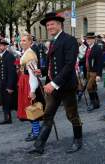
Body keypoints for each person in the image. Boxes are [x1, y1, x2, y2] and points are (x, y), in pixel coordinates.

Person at [29, 12, 82, 155]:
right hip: (53, 86)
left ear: (60, 25)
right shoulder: (53, 42)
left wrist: (54, 83)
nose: (49, 27)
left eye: (52, 24)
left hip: (66, 86)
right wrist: (43, 71)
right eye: (47, 25)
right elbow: (53, 65)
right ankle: (39, 145)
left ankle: (78, 140)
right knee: (48, 114)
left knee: (72, 115)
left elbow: (69, 64)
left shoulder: (69, 40)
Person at [17, 34, 45, 141]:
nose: (22, 42)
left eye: (24, 40)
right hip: (25, 82)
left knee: (32, 108)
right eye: (21, 41)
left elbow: (33, 75)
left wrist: (32, 90)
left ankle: (36, 132)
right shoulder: (26, 52)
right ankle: (35, 130)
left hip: (29, 83)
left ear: (30, 42)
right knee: (29, 108)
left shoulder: (30, 55)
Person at [0, 38, 17, 125]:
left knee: (8, 102)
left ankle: (8, 118)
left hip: (7, 83)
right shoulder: (1, 55)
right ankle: (7, 118)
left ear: (5, 46)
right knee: (4, 101)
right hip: (2, 82)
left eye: (0, 45)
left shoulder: (9, 56)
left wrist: (10, 86)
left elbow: (12, 72)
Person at [85, 32, 103, 112]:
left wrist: (99, 75)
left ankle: (93, 103)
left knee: (89, 87)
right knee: (93, 87)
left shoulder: (97, 48)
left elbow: (100, 62)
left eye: (90, 38)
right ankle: (96, 103)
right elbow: (86, 59)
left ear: (94, 39)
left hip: (94, 71)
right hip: (88, 71)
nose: (88, 40)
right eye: (87, 38)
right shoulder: (88, 48)